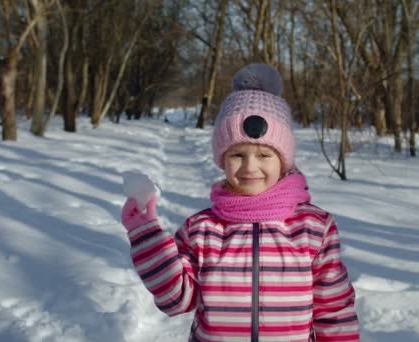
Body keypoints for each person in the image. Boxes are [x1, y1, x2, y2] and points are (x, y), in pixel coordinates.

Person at [121, 63, 359, 342]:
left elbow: (333, 309)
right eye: (237, 155)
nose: (249, 167)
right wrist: (147, 239)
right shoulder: (202, 229)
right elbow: (177, 300)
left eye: (264, 155)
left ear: (283, 161)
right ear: (222, 159)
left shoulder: (313, 228)